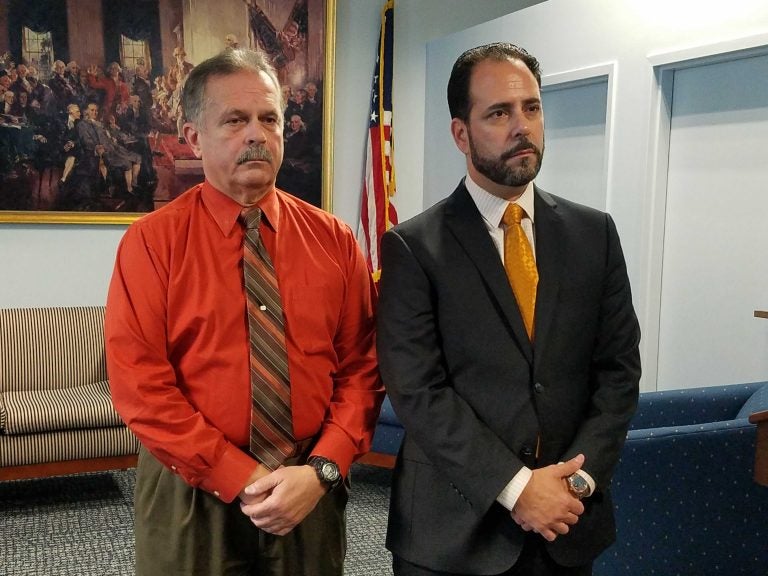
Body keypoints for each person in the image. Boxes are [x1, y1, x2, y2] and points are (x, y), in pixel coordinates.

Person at [104, 47, 383, 576]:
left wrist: (324, 467)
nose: (256, 133)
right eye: (235, 120)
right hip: (192, 494)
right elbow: (142, 388)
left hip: (308, 489)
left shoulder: (336, 241)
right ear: (193, 137)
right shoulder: (151, 244)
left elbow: (361, 370)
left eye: (268, 118)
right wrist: (237, 473)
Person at [376, 42, 641, 576]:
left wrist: (577, 483)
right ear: (460, 133)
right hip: (452, 532)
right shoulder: (414, 247)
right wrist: (517, 489)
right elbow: (418, 391)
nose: (522, 126)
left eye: (532, 108)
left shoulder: (596, 234)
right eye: (499, 112)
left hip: (566, 523)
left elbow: (618, 372)